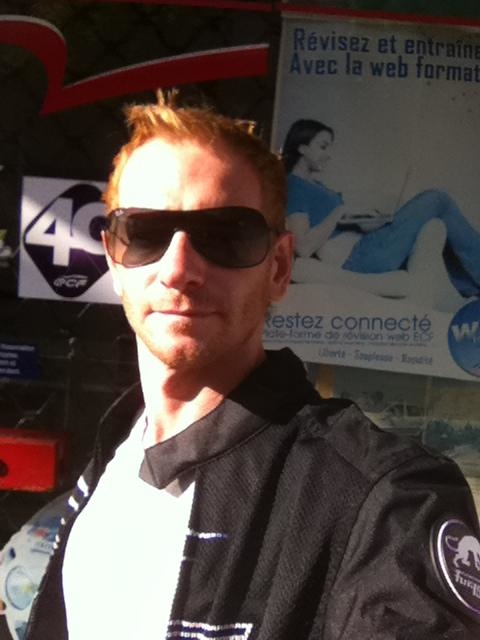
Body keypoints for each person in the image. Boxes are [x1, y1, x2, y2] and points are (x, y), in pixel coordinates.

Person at [23, 93, 480, 639]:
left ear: (280, 268)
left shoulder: (388, 501)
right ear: (113, 260)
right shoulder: (115, 449)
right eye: (144, 233)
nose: (178, 269)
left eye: (225, 236)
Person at [283, 118, 480, 311]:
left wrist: (367, 220)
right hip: (359, 257)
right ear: (302, 148)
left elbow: (336, 224)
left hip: (367, 246)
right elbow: (303, 247)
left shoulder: (316, 185)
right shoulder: (295, 186)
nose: (328, 155)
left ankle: (470, 290)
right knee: (437, 199)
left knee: (435, 218)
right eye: (323, 147)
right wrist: (340, 211)